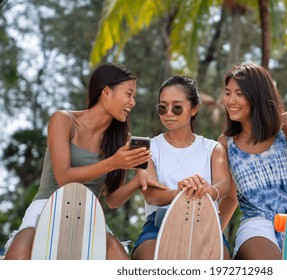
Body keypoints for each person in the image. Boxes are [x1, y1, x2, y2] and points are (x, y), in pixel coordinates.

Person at [4, 63, 166, 260]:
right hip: (47, 205)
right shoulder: (64, 120)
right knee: (21, 250)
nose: (133, 102)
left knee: (120, 260)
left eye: (134, 96)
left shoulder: (121, 138)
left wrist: (139, 179)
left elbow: (113, 199)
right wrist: (113, 162)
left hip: (90, 214)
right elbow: (64, 176)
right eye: (128, 94)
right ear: (106, 92)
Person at [107, 75, 232, 260]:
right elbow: (151, 195)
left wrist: (209, 191)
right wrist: (182, 193)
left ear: (194, 108)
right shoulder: (147, 148)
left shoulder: (213, 148)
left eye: (177, 107)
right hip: (158, 225)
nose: (169, 113)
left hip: (205, 224)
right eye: (162, 107)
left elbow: (224, 185)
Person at [217, 62, 287, 260]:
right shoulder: (225, 143)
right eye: (228, 93)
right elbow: (231, 197)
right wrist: (211, 233)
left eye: (239, 93)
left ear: (257, 94)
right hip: (257, 222)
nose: (231, 100)